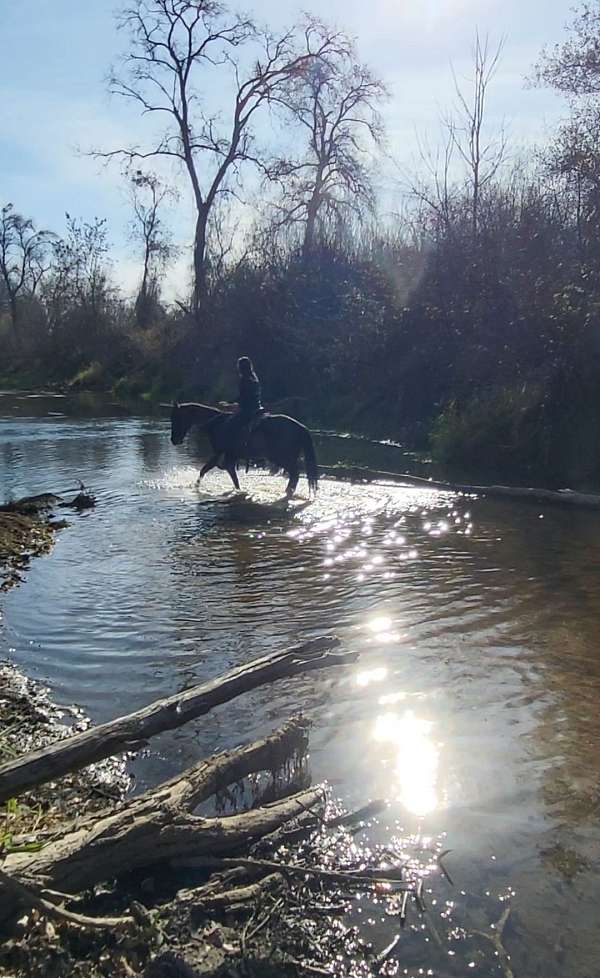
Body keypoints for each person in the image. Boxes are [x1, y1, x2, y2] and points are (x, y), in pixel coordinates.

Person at [223, 357, 265, 466]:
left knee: (229, 425)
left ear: (241, 367)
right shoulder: (254, 377)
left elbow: (242, 398)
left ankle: (234, 452)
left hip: (248, 410)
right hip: (257, 408)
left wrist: (229, 404)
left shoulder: (244, 380)